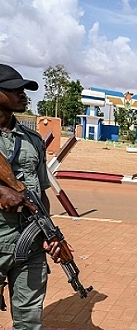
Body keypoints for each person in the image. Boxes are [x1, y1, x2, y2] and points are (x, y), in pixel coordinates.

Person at [0, 64, 65, 329]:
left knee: (29, 320)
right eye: (14, 89)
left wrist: (47, 232)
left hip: (30, 244)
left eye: (24, 88)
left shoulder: (33, 140)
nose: (23, 93)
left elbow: (40, 191)